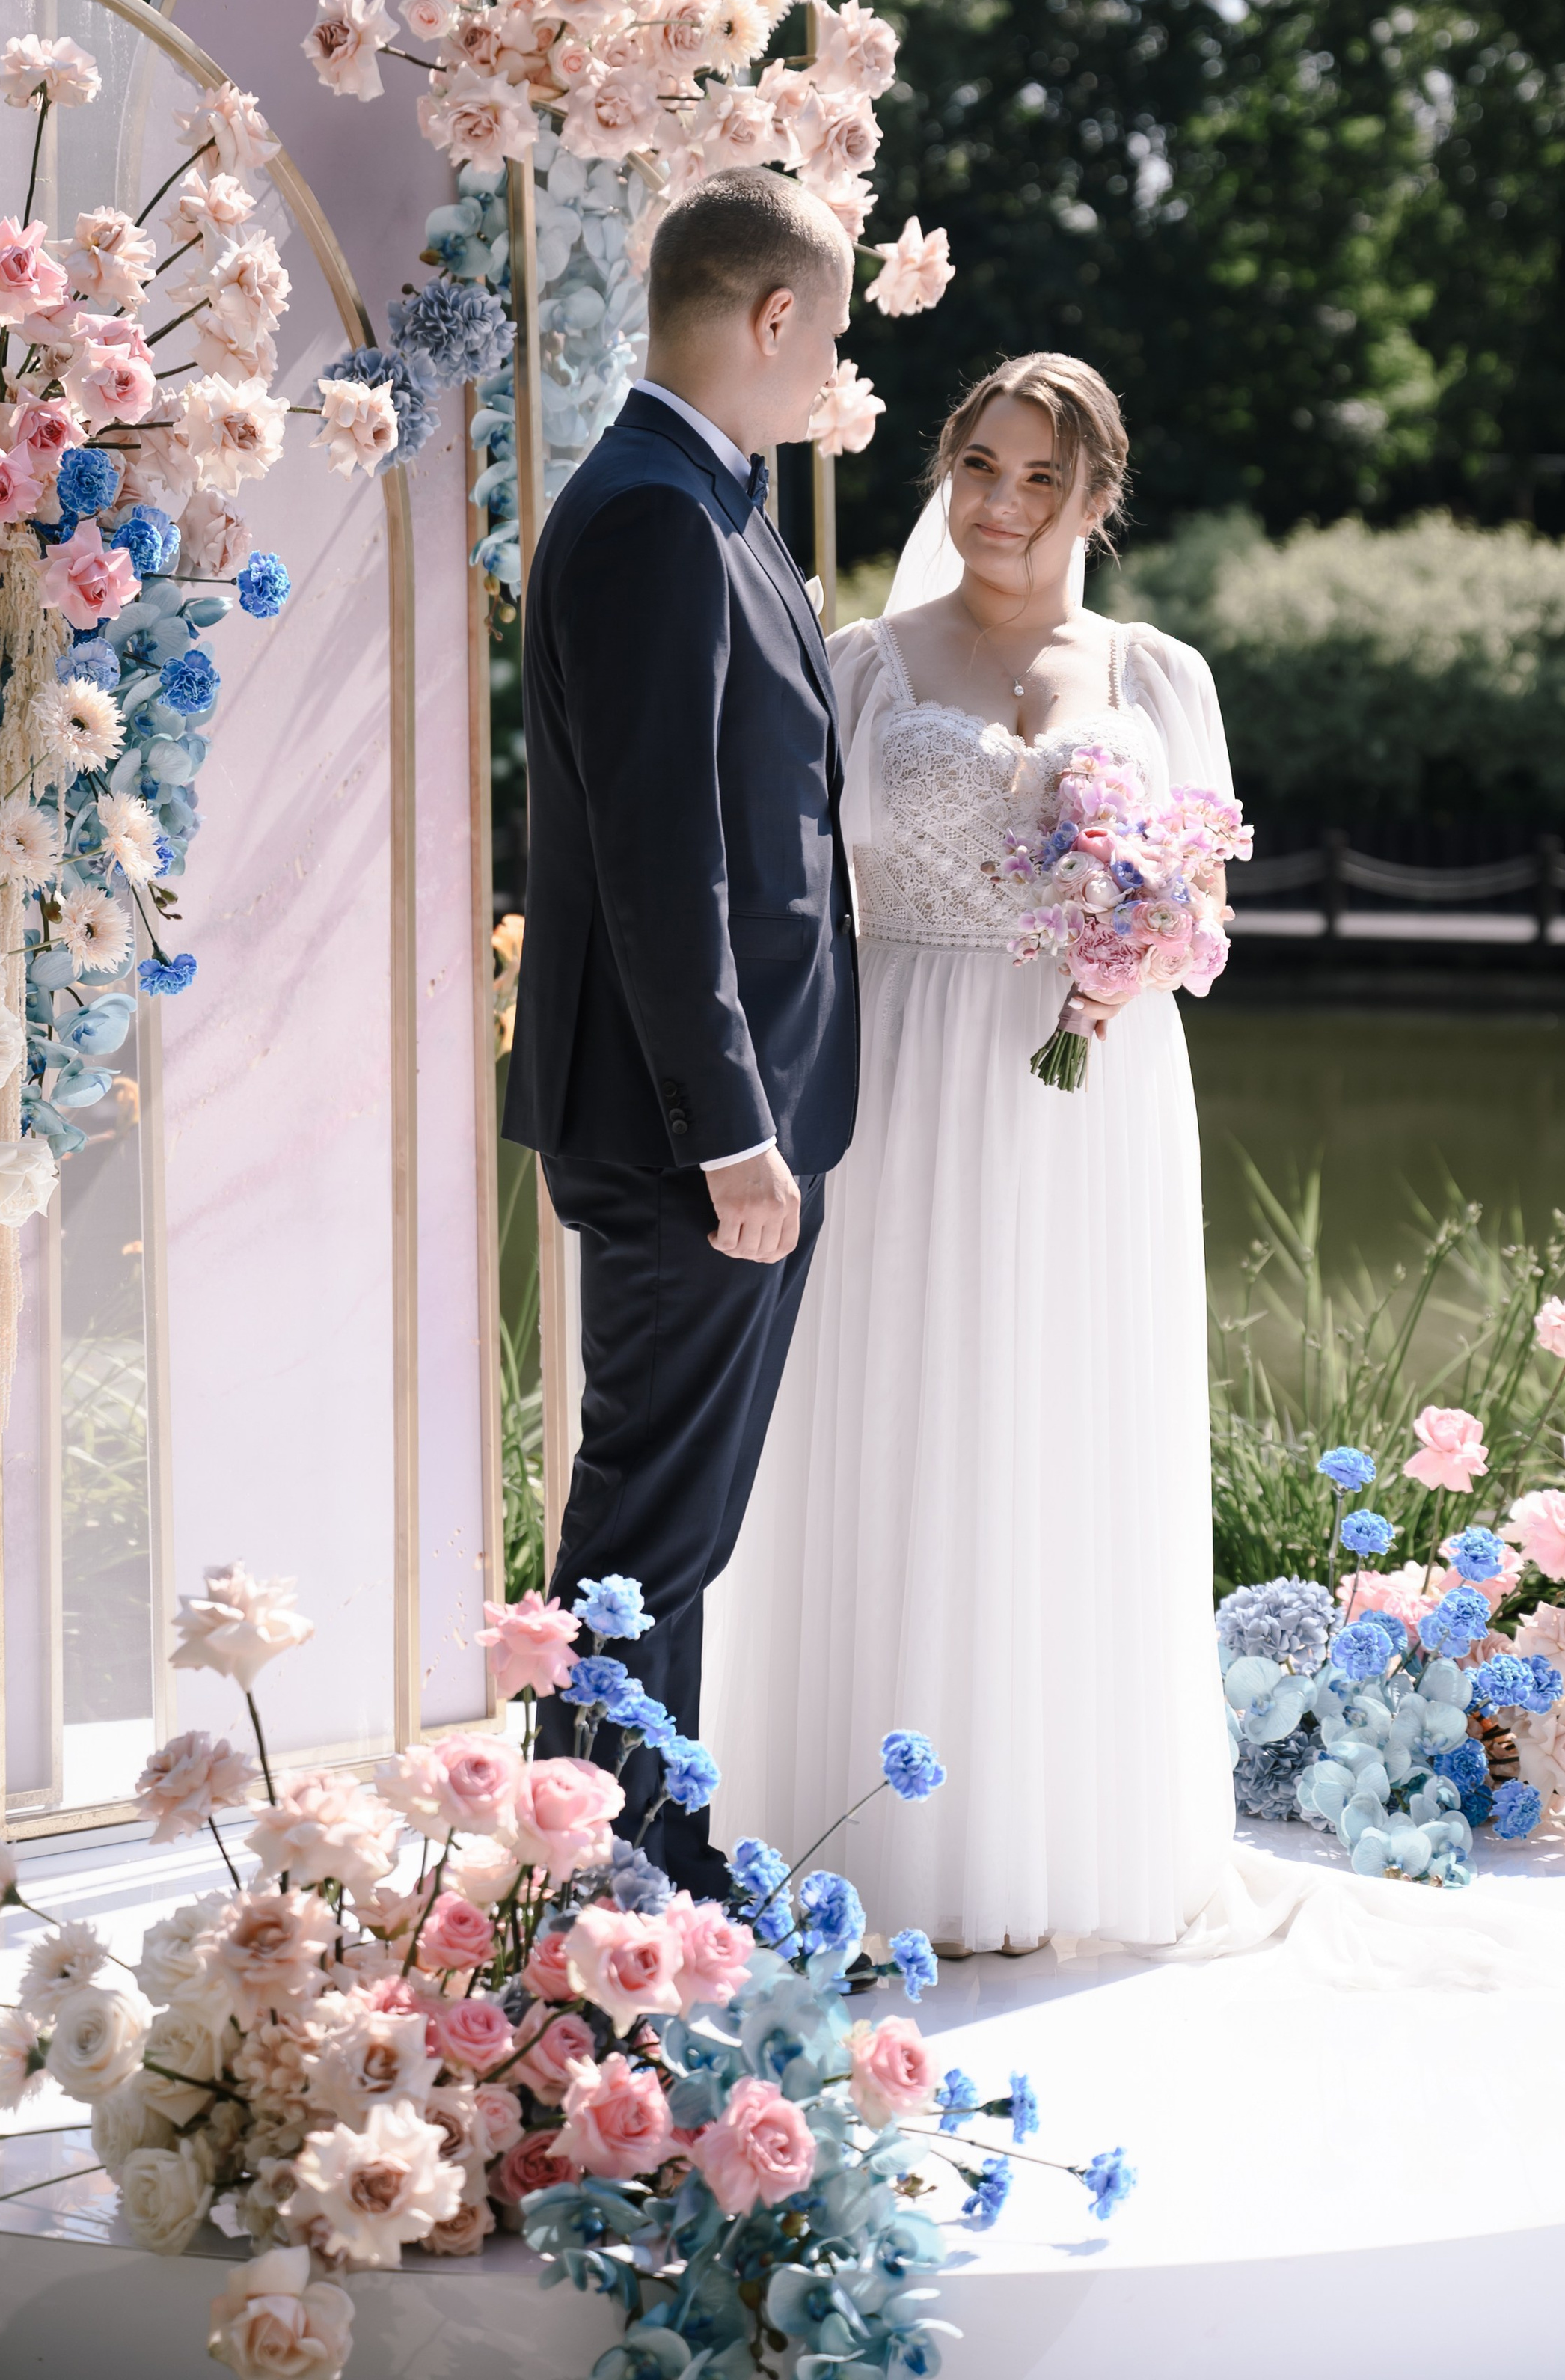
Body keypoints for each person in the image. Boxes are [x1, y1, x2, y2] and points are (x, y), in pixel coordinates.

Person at [704, 351, 1237, 1955]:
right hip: (901, 1074)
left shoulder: (1155, 675)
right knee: (900, 1410)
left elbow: (1208, 895)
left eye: (1039, 480)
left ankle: (1060, 1834)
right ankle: (873, 1828)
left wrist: (1136, 944)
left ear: (1095, 499)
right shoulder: (860, 664)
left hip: (1094, 1088)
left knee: (1063, 1418)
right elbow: (775, 889)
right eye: (979, 467)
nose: (1001, 506)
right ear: (944, 470)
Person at [503, 167, 861, 1900]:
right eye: (828, 332)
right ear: (770, 315)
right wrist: (730, 1128)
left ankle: (656, 1866)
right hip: (678, 1127)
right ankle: (586, 1902)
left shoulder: (709, 497)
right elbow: (661, 859)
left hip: (732, 1109)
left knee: (673, 1530)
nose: (830, 370)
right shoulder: (651, 511)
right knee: (642, 1529)